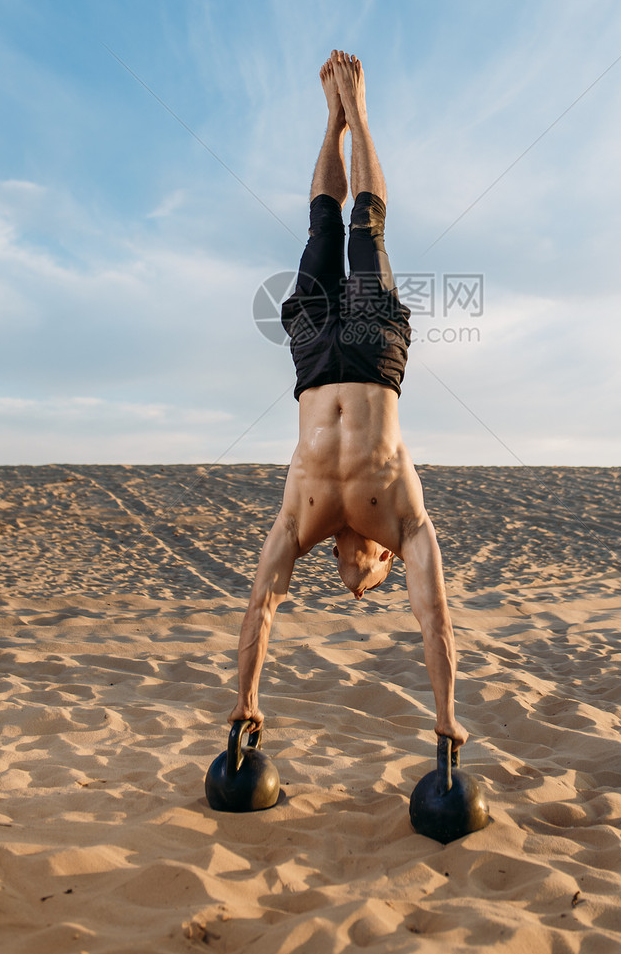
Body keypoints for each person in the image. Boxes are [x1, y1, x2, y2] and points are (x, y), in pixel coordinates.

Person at [228, 50, 468, 752]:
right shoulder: (406, 518)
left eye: (346, 582)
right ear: (388, 558)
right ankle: (355, 115)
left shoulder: (299, 522)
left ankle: (331, 118)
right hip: (371, 352)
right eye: (370, 579)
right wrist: (447, 713)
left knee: (319, 228)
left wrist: (246, 701)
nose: (355, 586)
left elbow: (262, 606)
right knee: (364, 223)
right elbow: (437, 617)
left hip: (310, 357)